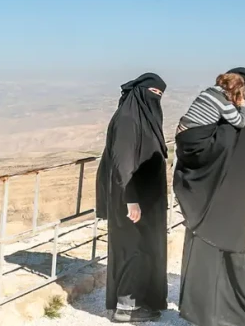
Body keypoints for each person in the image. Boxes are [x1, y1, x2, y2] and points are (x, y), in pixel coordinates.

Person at [174, 68, 245, 326]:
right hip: (236, 189)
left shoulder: (231, 111)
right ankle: (234, 310)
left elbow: (206, 150)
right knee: (232, 243)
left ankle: (203, 310)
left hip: (213, 191)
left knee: (208, 242)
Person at [96, 73, 168, 323]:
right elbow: (122, 162)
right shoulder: (128, 119)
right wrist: (131, 198)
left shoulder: (142, 118)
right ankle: (126, 308)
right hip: (130, 199)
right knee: (132, 249)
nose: (156, 98)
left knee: (143, 249)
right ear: (139, 92)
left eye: (160, 95)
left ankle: (140, 300)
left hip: (143, 199)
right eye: (153, 93)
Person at [176, 73, 245, 133]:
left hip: (182, 128)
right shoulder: (224, 104)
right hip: (193, 135)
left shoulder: (208, 92)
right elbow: (241, 123)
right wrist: (243, 106)